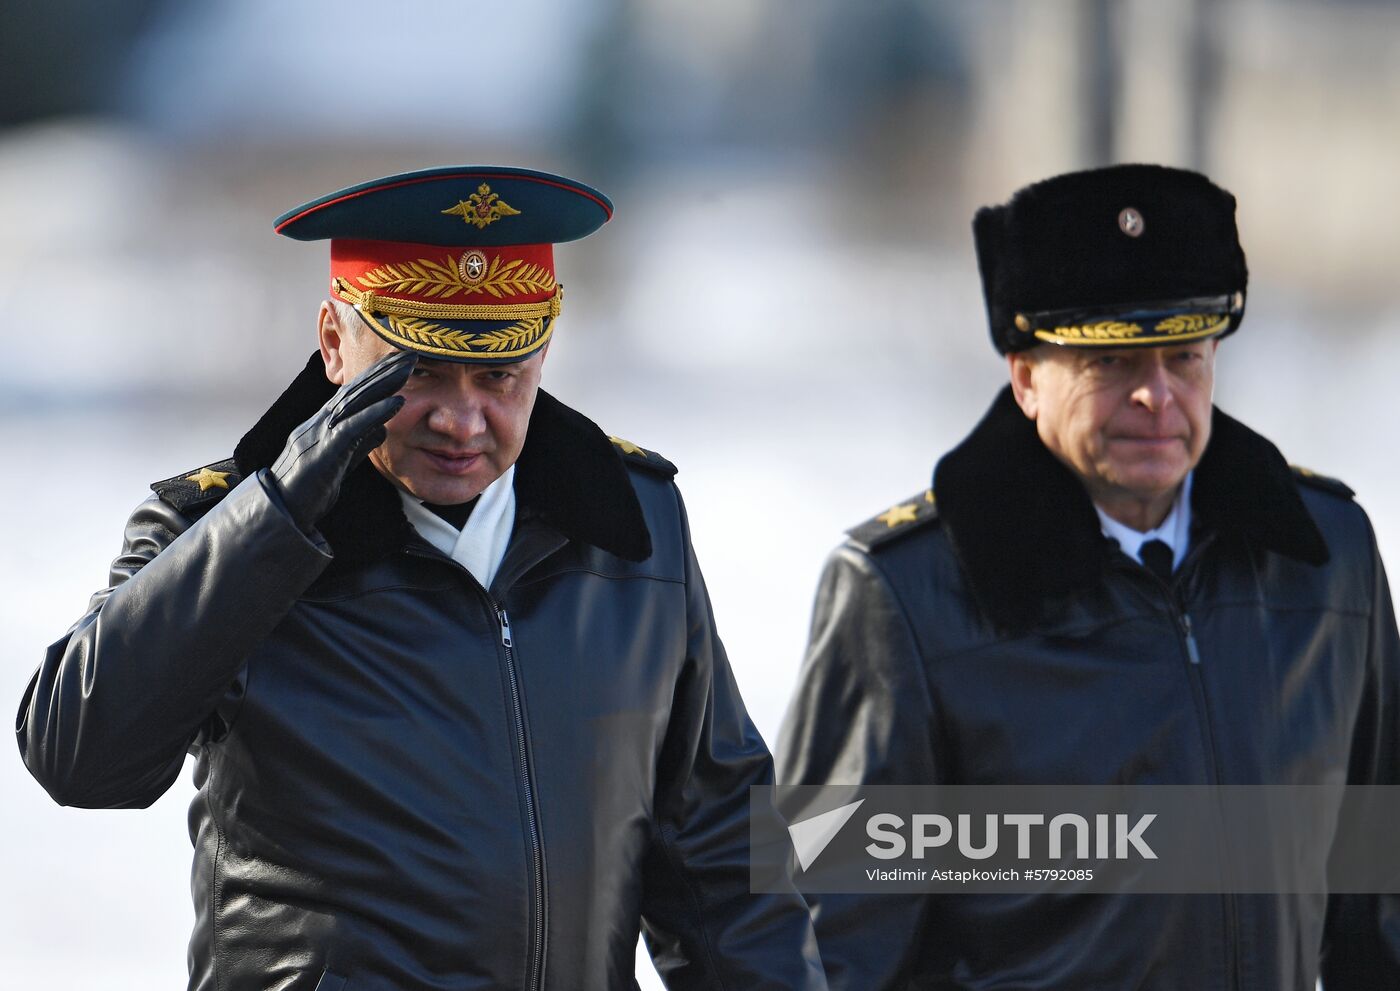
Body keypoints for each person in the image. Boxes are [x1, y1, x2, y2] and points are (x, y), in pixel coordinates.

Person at [18, 166, 825, 991]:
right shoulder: (221, 532)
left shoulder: (634, 523)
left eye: (499, 375)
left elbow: (724, 847)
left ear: (543, 351)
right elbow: (77, 757)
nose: (461, 419)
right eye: (421, 372)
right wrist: (275, 523)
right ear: (335, 342)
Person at [777, 164, 1400, 989]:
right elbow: (822, 952)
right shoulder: (905, 596)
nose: (1156, 395)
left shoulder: (1325, 559)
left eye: (1184, 355)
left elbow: (1379, 904)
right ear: (1026, 377)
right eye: (1111, 362)